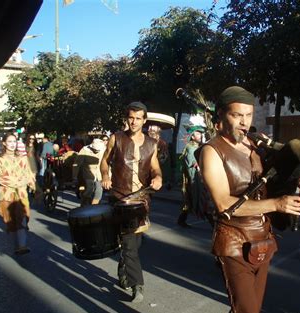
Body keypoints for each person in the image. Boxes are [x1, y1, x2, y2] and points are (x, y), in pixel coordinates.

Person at [198, 86, 300, 313]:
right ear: (221, 117)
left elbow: (278, 179)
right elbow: (224, 204)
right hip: (234, 243)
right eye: (237, 115)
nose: (244, 122)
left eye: (248, 115)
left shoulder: (256, 145)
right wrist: (277, 204)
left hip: (262, 239)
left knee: (247, 311)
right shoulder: (211, 152)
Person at [101, 101, 162, 302]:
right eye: (131, 117)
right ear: (127, 118)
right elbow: (105, 161)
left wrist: (158, 178)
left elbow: (155, 168)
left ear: (144, 120)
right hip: (120, 198)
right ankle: (138, 285)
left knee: (136, 242)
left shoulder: (152, 145)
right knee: (129, 244)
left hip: (142, 199)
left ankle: (123, 271)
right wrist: (105, 176)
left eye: (138, 118)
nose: (134, 121)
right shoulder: (116, 139)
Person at [0, 133, 36, 255]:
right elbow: (0, 177)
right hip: (6, 195)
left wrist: (32, 185)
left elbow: (28, 173)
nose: (12, 144)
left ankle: (22, 246)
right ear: (4, 143)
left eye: (14, 141)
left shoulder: (22, 158)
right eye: (10, 142)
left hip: (22, 194)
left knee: (23, 218)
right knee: (10, 221)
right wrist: (18, 182)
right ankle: (16, 245)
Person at [177, 124, 211, 227]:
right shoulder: (191, 149)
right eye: (198, 133)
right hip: (194, 179)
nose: (200, 135)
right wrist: (195, 182)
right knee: (200, 200)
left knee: (191, 201)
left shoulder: (197, 147)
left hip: (197, 179)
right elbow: (191, 167)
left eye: (201, 133)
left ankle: (181, 220)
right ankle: (213, 225)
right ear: (192, 136)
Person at [73, 138, 106, 206]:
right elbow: (77, 164)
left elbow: (106, 163)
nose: (97, 151)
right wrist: (74, 176)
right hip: (87, 173)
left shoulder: (103, 150)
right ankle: (84, 205)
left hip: (99, 174)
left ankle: (94, 207)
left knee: (99, 191)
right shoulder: (84, 150)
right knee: (89, 189)